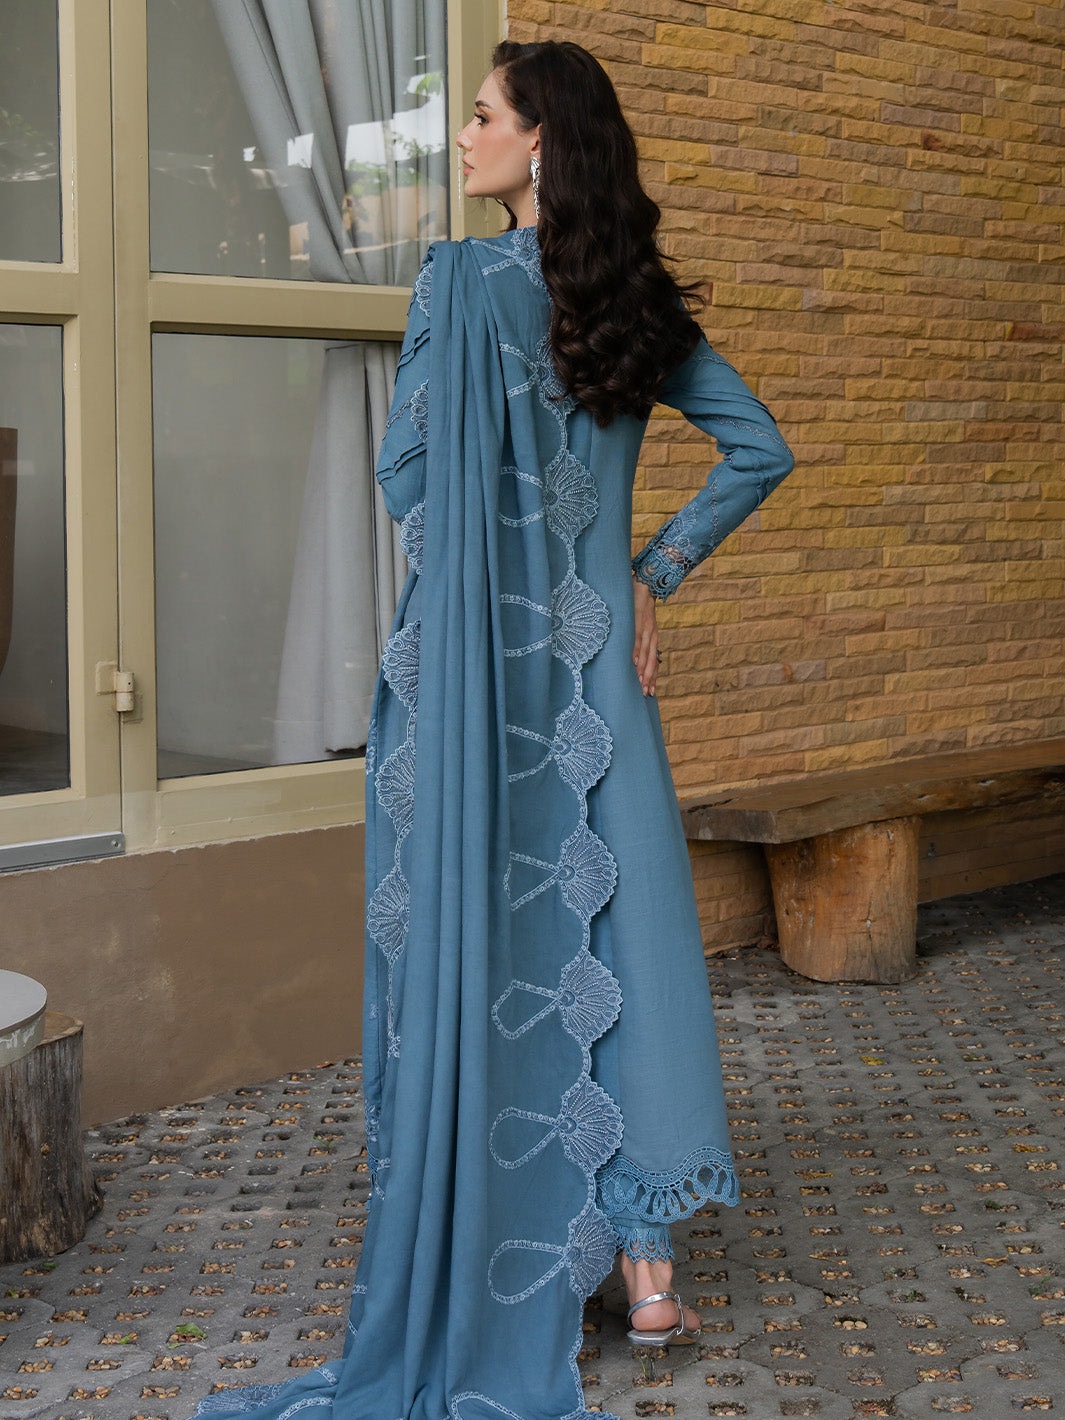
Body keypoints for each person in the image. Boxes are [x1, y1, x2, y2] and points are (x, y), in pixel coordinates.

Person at [198, 38, 794, 1420]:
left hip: (467, 672)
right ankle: (647, 1276)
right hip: (594, 685)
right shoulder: (635, 301)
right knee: (618, 937)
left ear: (541, 142)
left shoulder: (456, 287)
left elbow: (407, 475)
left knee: (478, 934)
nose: (461, 138)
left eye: (480, 117)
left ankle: (504, 1222)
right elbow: (758, 448)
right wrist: (645, 574)